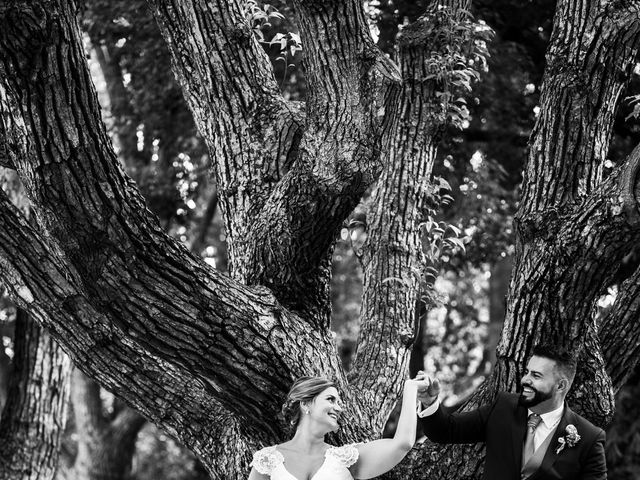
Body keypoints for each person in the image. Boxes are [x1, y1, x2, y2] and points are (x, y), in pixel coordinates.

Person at [416, 344, 607, 480]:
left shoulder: (589, 438)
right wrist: (429, 402)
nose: (525, 380)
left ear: (560, 386)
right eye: (527, 372)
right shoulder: (503, 407)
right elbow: (445, 430)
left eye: (536, 375)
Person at [248, 375, 423, 479]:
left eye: (339, 402)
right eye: (331, 399)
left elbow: (403, 443)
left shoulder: (347, 459)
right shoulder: (267, 460)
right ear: (305, 404)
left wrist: (411, 388)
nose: (339, 408)